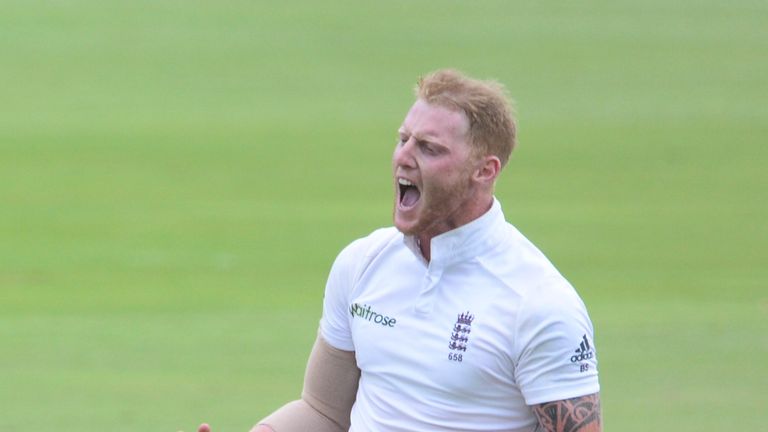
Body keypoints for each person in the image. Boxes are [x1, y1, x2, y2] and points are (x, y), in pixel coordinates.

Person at [198, 69, 601, 432]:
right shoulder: (364, 263)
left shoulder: (538, 302)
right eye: (403, 139)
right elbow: (322, 412)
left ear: (485, 170)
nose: (403, 157)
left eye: (429, 148)